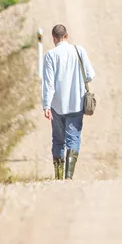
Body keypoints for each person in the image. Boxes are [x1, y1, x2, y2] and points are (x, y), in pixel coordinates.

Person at [41, 24, 95, 180]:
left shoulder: (50, 55)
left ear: (53, 38)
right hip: (76, 103)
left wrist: (46, 105)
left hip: (57, 105)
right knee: (73, 138)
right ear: (67, 36)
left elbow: (49, 84)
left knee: (58, 140)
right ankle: (69, 177)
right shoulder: (79, 51)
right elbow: (90, 75)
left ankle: (58, 177)